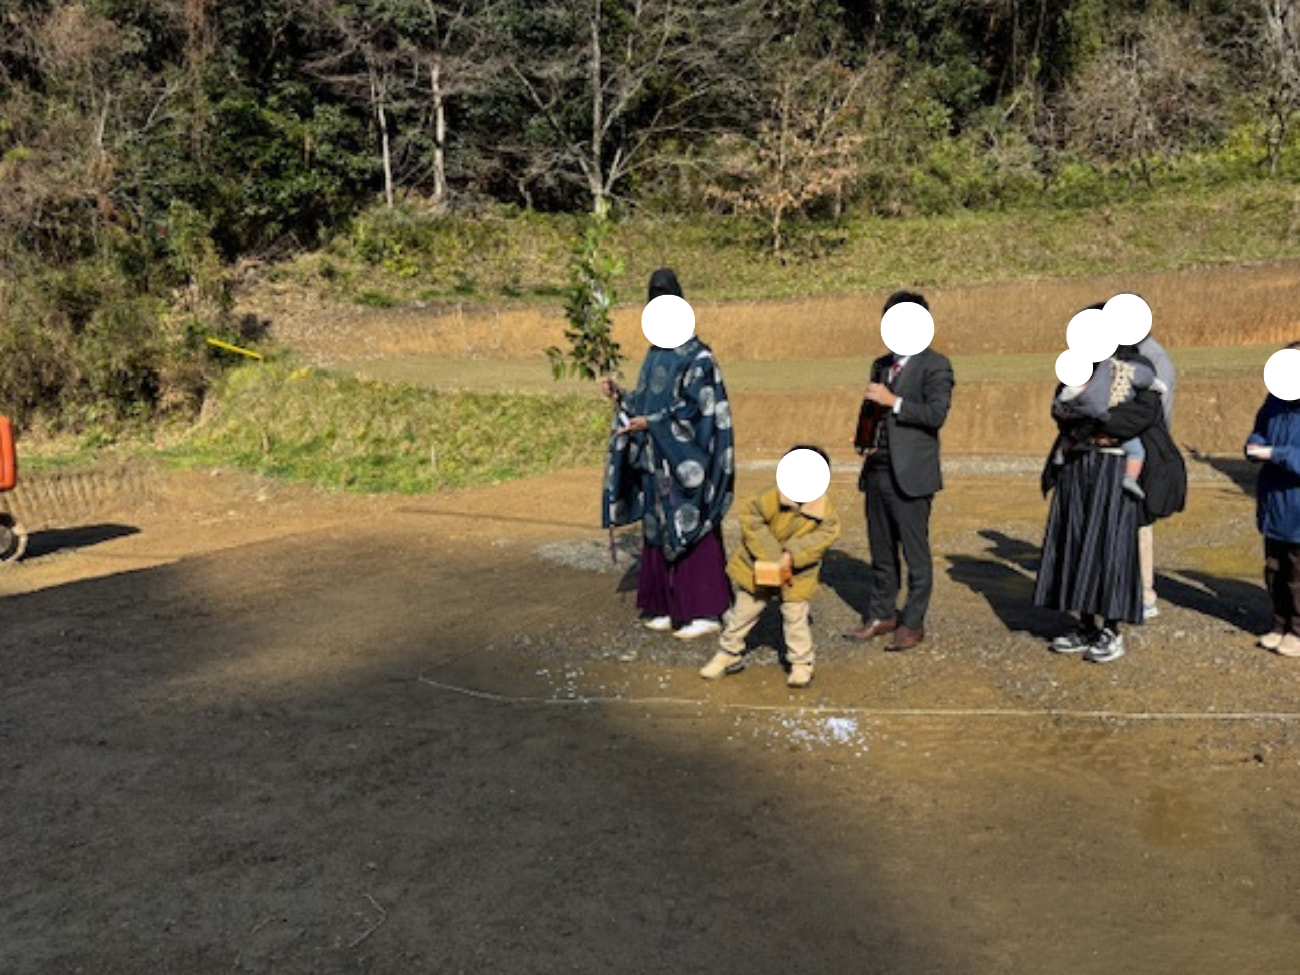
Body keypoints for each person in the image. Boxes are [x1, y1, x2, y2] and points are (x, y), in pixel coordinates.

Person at [601, 268, 735, 640]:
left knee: (692, 527)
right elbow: (644, 404)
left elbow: (700, 412)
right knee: (657, 530)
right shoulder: (655, 355)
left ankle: (706, 609)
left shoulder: (700, 358)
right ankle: (664, 603)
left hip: (686, 461)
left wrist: (654, 423)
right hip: (654, 461)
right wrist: (621, 396)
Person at [1035, 340, 1185, 663]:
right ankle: (1086, 625)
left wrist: (1097, 424)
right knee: (1076, 543)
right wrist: (1086, 429)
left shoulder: (1138, 366)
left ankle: (1111, 630)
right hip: (1079, 466)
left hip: (1115, 468)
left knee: (1112, 548)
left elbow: (1144, 414)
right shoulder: (1078, 364)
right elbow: (1061, 409)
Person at [843, 291, 955, 651]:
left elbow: (935, 415)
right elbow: (872, 411)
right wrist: (865, 438)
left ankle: (912, 623)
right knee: (880, 550)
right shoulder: (880, 364)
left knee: (915, 555)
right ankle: (882, 613)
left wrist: (895, 402)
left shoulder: (936, 366)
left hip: (911, 474)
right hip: (877, 469)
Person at [699, 445, 841, 688]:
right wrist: (774, 556)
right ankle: (728, 654)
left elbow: (827, 535)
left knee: (795, 617)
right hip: (758, 566)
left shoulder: (825, 510)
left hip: (798, 574)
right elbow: (751, 521)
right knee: (744, 612)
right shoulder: (769, 497)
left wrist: (792, 554)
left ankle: (801, 663)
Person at [1051, 356, 1167, 499]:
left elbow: (1144, 413)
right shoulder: (1124, 372)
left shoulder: (1123, 370)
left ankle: (1062, 451)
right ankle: (1130, 478)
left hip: (1104, 443)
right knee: (1136, 452)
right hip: (1088, 451)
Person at [1245, 354, 1300, 656]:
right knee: (1274, 568)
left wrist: (1275, 454)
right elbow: (1259, 431)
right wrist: (1253, 446)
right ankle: (1279, 624)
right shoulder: (1274, 402)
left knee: (1296, 574)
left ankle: (1297, 629)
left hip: (1297, 507)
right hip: (1274, 502)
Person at [1136, 329, 1176, 620]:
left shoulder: (1154, 357)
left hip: (1145, 448)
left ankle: (1144, 595)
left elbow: (1156, 411)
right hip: (1138, 445)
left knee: (1140, 523)